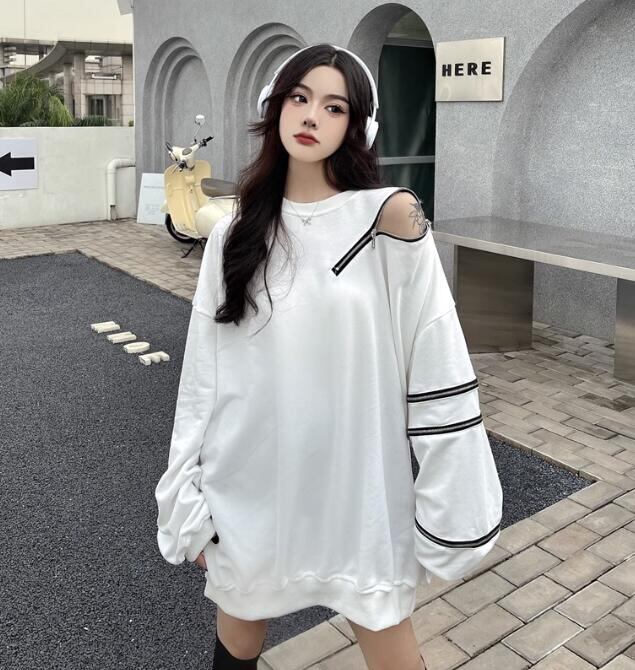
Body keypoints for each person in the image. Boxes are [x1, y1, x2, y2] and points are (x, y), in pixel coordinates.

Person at [154, 43, 503, 670]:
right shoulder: (235, 234)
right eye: (300, 97)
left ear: (356, 126)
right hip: (251, 484)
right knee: (237, 643)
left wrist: (449, 495)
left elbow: (436, 358)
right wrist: (186, 497)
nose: (312, 115)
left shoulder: (389, 220)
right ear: (276, 106)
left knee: (390, 644)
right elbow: (203, 375)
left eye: (334, 106)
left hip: (359, 489)